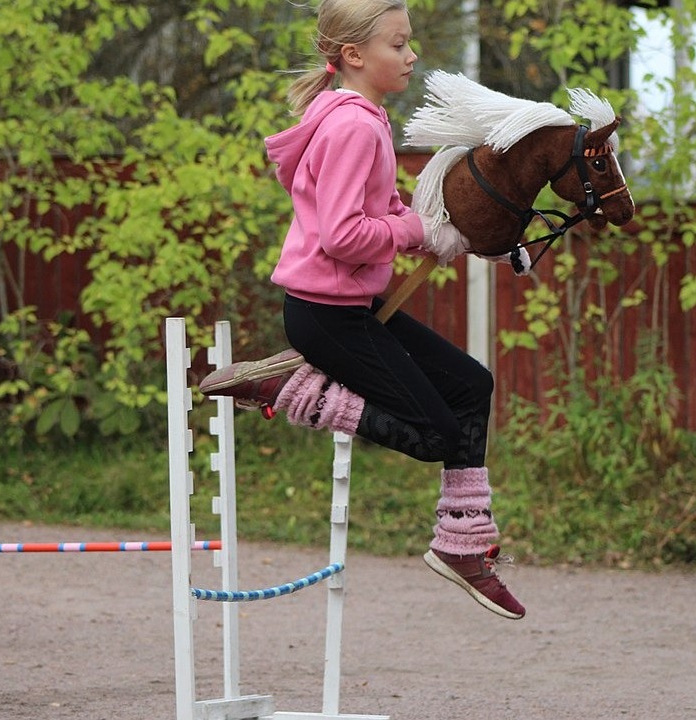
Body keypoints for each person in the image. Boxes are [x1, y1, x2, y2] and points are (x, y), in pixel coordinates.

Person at [199, 0, 525, 620]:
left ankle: (464, 545)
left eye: (409, 43)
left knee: (470, 386)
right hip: (327, 315)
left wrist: (412, 219)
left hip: (347, 306)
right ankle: (290, 389)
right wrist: (416, 234)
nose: (412, 55)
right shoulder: (352, 125)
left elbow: (375, 205)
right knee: (437, 434)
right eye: (398, 45)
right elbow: (344, 237)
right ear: (354, 55)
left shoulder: (361, 117)